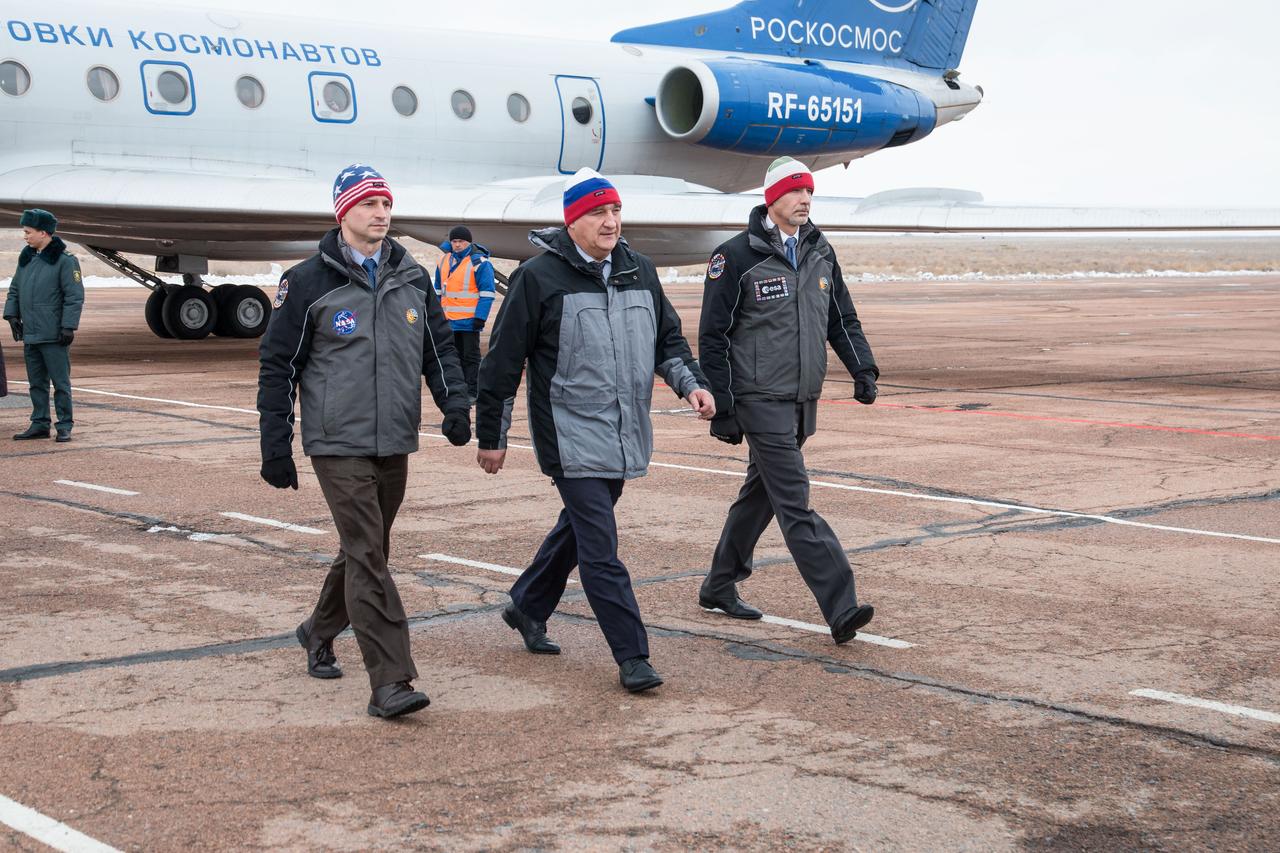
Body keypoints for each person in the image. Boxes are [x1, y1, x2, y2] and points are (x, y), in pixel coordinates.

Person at [474, 168, 715, 693]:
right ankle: (633, 656)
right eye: (597, 213)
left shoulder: (638, 270)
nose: (610, 222)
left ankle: (527, 604)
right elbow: (502, 363)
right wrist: (492, 436)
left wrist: (691, 385)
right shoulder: (538, 278)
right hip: (568, 433)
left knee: (581, 529)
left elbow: (667, 341)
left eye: (615, 211)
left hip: (624, 430)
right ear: (572, 222)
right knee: (600, 549)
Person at [257, 164, 472, 719]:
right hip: (337, 441)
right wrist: (275, 443)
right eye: (369, 204)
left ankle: (317, 629)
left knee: (367, 549)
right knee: (368, 553)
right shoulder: (307, 282)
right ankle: (391, 681)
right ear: (343, 212)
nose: (381, 213)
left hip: (394, 436)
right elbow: (278, 365)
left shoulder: (412, 277)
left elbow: (438, 349)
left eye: (386, 204)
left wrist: (454, 403)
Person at [697, 156, 880, 645]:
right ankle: (841, 605)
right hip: (758, 398)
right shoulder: (735, 256)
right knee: (795, 502)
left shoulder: (820, 251)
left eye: (809, 192)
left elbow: (841, 317)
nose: (805, 200)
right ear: (772, 198)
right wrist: (724, 406)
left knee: (760, 496)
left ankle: (719, 584)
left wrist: (862, 368)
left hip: (802, 398)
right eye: (795, 191)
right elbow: (713, 337)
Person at [4, 209, 84, 442]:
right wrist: (12, 315)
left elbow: (74, 296)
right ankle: (39, 423)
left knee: (60, 383)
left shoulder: (65, 261)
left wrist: (68, 326)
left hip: (53, 334)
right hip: (31, 333)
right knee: (36, 383)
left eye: (28, 232)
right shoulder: (27, 258)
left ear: (43, 232)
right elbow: (15, 289)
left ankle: (64, 425)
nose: (25, 236)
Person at [433, 225, 496, 402]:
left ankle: (472, 391)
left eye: (461, 241)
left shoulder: (480, 263)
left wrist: (480, 318)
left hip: (469, 322)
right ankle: (458, 390)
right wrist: (436, 316)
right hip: (448, 321)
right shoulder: (443, 261)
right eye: (454, 241)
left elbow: (487, 293)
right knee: (452, 358)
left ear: (469, 242)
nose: (457, 245)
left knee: (470, 358)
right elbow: (437, 292)